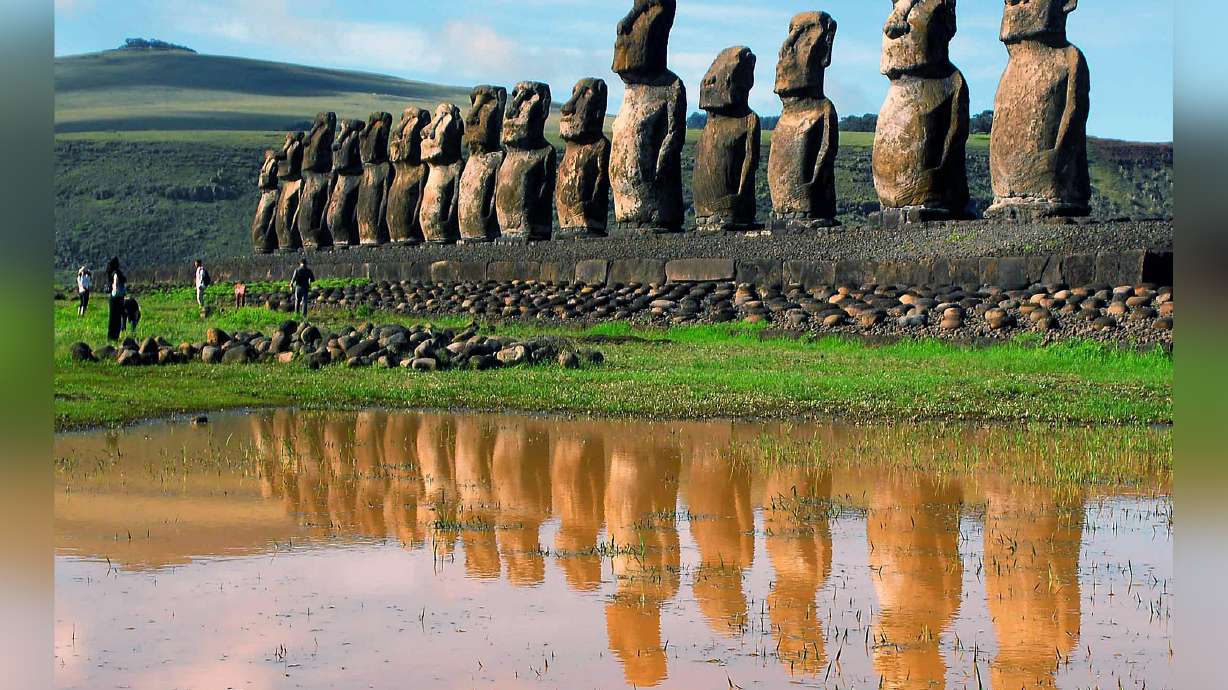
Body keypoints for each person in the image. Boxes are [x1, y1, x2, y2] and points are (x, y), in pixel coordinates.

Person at [105, 257, 126, 341]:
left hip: (114, 297)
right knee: (117, 318)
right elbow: (116, 285)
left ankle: (111, 337)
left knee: (113, 318)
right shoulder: (116, 273)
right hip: (118, 297)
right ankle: (114, 337)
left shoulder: (111, 273)